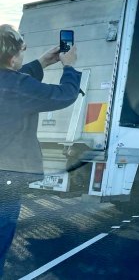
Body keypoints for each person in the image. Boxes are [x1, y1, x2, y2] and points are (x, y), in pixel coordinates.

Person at [0, 24, 81, 277]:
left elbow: (10, 79)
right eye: (22, 53)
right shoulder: (17, 85)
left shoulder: (12, 83)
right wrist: (69, 66)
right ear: (13, 58)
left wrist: (43, 62)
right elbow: (63, 95)